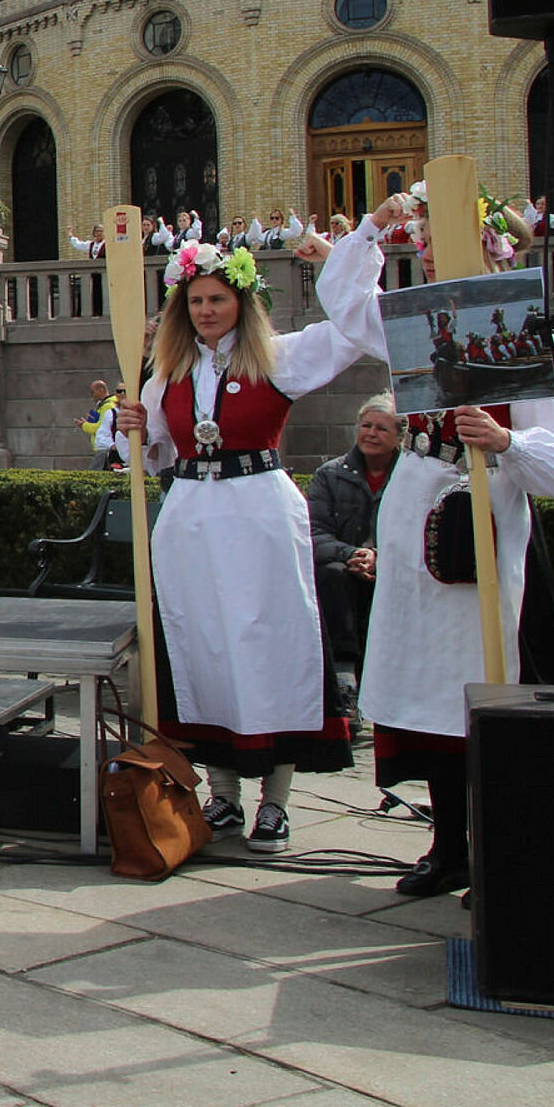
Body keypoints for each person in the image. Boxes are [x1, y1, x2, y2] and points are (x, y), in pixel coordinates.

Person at [113, 197, 403, 853]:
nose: (207, 311)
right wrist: (132, 428)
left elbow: (354, 331)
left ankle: (275, 800)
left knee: (269, 644)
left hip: (261, 512)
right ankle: (222, 794)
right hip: (192, 515)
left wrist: (356, 243)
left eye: (217, 299)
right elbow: (156, 448)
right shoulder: (168, 374)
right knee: (205, 647)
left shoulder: (278, 355)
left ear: (241, 302)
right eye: (196, 302)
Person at [357, 198, 554, 897]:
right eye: (429, 248)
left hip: (484, 513)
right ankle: (448, 845)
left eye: (449, 247)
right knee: (426, 694)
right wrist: (365, 235)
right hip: (417, 508)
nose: (435, 259)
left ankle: (501, 847)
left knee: (480, 684)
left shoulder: (522, 332)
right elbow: (349, 309)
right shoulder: (417, 327)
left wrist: (506, 440)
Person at [305, 395, 401, 699]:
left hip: (395, 568)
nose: (371, 433)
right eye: (366, 425)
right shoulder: (329, 475)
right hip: (344, 566)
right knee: (332, 575)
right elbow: (313, 532)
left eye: (382, 429)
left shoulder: (411, 476)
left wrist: (379, 559)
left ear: (400, 437)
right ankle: (344, 677)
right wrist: (352, 555)